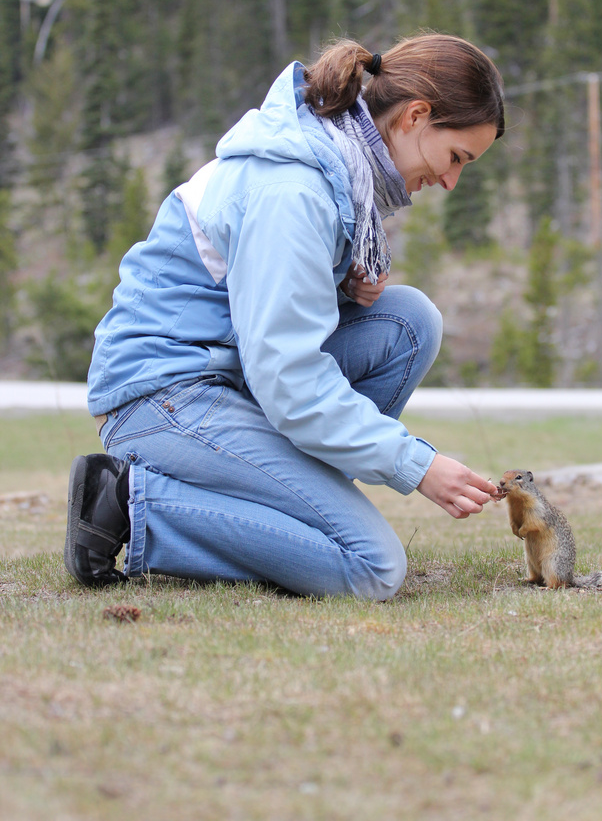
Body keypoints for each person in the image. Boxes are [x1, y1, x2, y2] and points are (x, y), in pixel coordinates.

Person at [64, 33, 505, 600]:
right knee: (371, 567)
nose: (450, 182)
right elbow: (288, 378)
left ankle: (294, 507)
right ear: (416, 115)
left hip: (223, 377)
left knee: (407, 323)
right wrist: (414, 464)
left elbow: (257, 312)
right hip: (164, 397)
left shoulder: (331, 166)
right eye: (456, 158)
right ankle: (128, 502)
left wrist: (340, 288)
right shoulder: (294, 190)